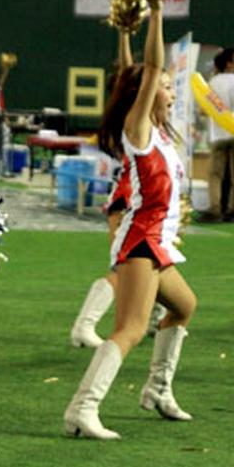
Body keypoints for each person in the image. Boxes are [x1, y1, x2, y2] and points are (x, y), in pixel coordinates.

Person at [63, 0, 196, 440]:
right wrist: (156, 9)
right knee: (131, 328)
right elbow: (148, 68)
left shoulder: (160, 133)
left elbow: (134, 72)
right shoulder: (137, 130)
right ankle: (83, 408)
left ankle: (157, 390)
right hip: (140, 239)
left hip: (158, 241)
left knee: (184, 306)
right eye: (166, 84)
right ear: (146, 91)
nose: (171, 89)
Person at [70, 29, 167, 349]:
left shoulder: (148, 118)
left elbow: (130, 70)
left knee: (152, 264)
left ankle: (154, 317)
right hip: (130, 195)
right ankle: (85, 325)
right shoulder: (135, 116)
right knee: (125, 265)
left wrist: (125, 31)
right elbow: (135, 71)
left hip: (141, 197)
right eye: (163, 85)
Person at [203, 47, 234, 222]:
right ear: (229, 63)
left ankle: (215, 208)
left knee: (215, 174)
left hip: (218, 134)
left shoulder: (212, 82)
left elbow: (205, 108)